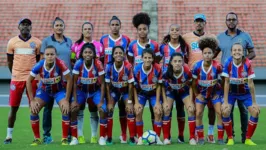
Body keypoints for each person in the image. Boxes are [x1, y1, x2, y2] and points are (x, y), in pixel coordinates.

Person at [214, 12, 256, 143]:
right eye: (229, 19)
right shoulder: (220, 37)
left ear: (237, 21)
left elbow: (252, 52)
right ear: (225, 22)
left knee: (244, 110)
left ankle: (245, 137)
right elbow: (214, 54)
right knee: (228, 109)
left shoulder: (245, 36)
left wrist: (243, 63)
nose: (231, 21)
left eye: (233, 19)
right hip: (227, 79)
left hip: (242, 80)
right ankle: (229, 136)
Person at [4, 18, 41, 144]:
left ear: (31, 27)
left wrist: (34, 76)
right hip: (17, 79)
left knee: (34, 108)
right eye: (23, 24)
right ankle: (8, 136)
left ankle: (36, 137)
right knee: (13, 108)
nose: (25, 27)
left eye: (28, 25)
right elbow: (9, 61)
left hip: (32, 79)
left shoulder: (37, 42)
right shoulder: (12, 42)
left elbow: (38, 60)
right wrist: (15, 73)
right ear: (19, 27)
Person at [26, 45, 72, 146]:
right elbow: (28, 81)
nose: (50, 56)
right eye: (47, 54)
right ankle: (37, 139)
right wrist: (32, 100)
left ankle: (64, 138)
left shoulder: (60, 63)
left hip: (59, 91)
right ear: (44, 56)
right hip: (44, 91)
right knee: (34, 110)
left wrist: (66, 99)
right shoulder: (39, 65)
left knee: (65, 108)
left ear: (56, 55)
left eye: (52, 54)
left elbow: (69, 79)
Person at [183, 14, 216, 143]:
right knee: (195, 107)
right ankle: (196, 133)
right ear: (194, 23)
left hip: (209, 76)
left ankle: (211, 132)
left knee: (212, 107)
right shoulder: (186, 37)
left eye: (201, 21)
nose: (199, 24)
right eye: (197, 21)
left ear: (205, 23)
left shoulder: (211, 38)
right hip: (193, 77)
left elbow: (216, 51)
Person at [40, 17, 72, 144]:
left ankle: (68, 135)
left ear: (64, 27)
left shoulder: (69, 41)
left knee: (65, 107)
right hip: (49, 81)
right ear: (53, 27)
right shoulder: (46, 41)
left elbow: (72, 59)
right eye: (57, 25)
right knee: (47, 109)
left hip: (64, 82)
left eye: (61, 25)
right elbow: (42, 61)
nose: (59, 27)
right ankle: (47, 135)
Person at [71, 21, 104, 144]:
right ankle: (79, 136)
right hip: (81, 82)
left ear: (92, 30)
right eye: (85, 29)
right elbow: (72, 59)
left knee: (93, 108)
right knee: (78, 108)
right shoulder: (75, 45)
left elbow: (101, 61)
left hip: (94, 82)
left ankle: (95, 136)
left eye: (90, 28)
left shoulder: (99, 45)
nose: (88, 30)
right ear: (82, 30)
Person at [221, 43, 259, 146]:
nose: (237, 52)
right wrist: (225, 102)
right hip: (231, 94)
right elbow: (227, 82)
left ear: (243, 52)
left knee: (255, 112)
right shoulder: (227, 62)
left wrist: (255, 102)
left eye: (239, 50)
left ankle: (248, 139)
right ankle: (230, 139)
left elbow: (251, 84)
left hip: (245, 94)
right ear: (231, 52)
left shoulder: (247, 63)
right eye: (235, 50)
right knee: (225, 111)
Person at [100, 16, 131, 143]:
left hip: (123, 78)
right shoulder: (103, 39)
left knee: (124, 108)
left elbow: (129, 57)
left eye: (117, 24)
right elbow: (101, 58)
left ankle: (124, 134)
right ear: (109, 25)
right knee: (109, 108)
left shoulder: (126, 39)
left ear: (120, 25)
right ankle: (108, 136)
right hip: (110, 80)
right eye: (112, 24)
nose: (114, 26)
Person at [191, 36, 225, 145]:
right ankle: (200, 138)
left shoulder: (218, 66)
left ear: (213, 54)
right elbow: (193, 83)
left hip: (215, 94)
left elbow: (224, 81)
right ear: (202, 54)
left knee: (220, 112)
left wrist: (219, 93)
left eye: (209, 53)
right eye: (205, 53)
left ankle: (219, 138)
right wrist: (197, 94)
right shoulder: (197, 66)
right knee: (199, 113)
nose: (207, 55)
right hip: (202, 94)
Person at [160, 24, 189, 143]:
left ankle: (181, 136)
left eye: (177, 30)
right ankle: (167, 137)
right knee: (167, 109)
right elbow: (157, 61)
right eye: (172, 30)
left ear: (179, 32)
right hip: (168, 84)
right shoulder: (163, 47)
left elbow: (186, 62)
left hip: (181, 83)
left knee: (180, 108)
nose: (175, 32)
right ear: (169, 32)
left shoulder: (184, 47)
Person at [161, 52, 196, 145]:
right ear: (171, 62)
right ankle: (166, 138)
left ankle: (191, 138)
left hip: (183, 92)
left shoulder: (187, 71)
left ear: (183, 62)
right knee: (166, 110)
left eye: (179, 61)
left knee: (191, 110)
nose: (177, 63)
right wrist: (164, 101)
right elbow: (162, 87)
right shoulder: (165, 72)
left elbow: (192, 85)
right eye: (175, 61)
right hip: (171, 92)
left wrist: (191, 101)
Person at [105, 46, 136, 145]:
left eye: (120, 53)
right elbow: (107, 85)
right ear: (113, 55)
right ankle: (109, 138)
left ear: (123, 55)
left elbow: (131, 85)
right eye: (116, 53)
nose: (118, 55)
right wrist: (109, 101)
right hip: (114, 92)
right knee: (109, 110)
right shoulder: (109, 67)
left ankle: (130, 137)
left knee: (130, 110)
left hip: (126, 92)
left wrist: (130, 102)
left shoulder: (128, 66)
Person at [133, 45, 163, 145]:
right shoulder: (136, 69)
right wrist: (136, 102)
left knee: (158, 112)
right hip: (141, 94)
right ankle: (140, 137)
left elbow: (159, 86)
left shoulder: (158, 69)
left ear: (153, 58)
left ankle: (157, 138)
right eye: (145, 57)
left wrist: (158, 102)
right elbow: (133, 86)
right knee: (138, 111)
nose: (147, 60)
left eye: (149, 57)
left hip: (154, 94)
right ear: (142, 58)